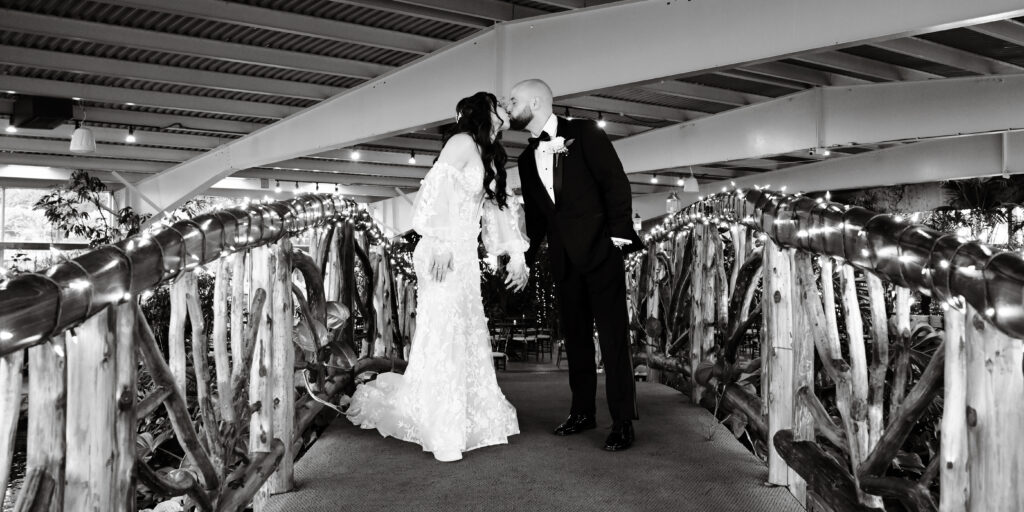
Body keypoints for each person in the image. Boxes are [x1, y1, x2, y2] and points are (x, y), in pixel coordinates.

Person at [346, 92, 529, 462]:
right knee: (445, 330)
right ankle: (442, 427)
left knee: (466, 328)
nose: (506, 110)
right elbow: (434, 189)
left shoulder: (488, 152)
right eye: (499, 105)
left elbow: (497, 211)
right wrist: (442, 240)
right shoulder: (461, 142)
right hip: (441, 250)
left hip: (463, 254)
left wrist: (516, 255)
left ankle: (465, 417)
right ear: (484, 112)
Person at [505, 78, 642, 452]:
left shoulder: (584, 133)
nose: (508, 105)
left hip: (602, 254)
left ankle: (623, 421)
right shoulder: (523, 159)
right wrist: (526, 260)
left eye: (512, 100)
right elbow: (536, 220)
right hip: (564, 262)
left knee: (614, 341)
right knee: (577, 340)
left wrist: (618, 238)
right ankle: (582, 412)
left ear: (535, 102)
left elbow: (616, 183)